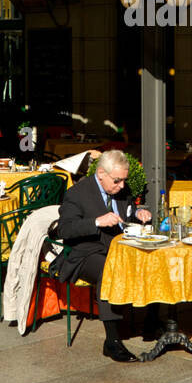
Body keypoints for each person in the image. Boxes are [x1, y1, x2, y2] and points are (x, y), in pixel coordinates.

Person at [49, 149, 153, 363]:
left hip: (119, 249)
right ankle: (112, 341)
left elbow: (127, 211)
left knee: (153, 261)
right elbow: (64, 230)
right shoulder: (78, 193)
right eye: (117, 181)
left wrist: (138, 213)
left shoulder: (121, 189)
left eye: (123, 180)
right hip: (86, 252)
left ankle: (153, 322)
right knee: (109, 271)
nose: (122, 186)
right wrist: (97, 222)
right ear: (101, 174)